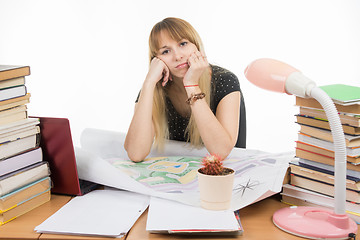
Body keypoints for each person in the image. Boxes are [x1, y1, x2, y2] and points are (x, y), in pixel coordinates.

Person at [124, 17, 246, 162]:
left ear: (196, 45)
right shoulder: (153, 90)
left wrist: (191, 85)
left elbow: (221, 151)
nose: (178, 56)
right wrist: (149, 82)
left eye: (183, 44)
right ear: (155, 60)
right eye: (165, 51)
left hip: (225, 175)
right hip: (178, 175)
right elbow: (135, 153)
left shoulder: (225, 80)